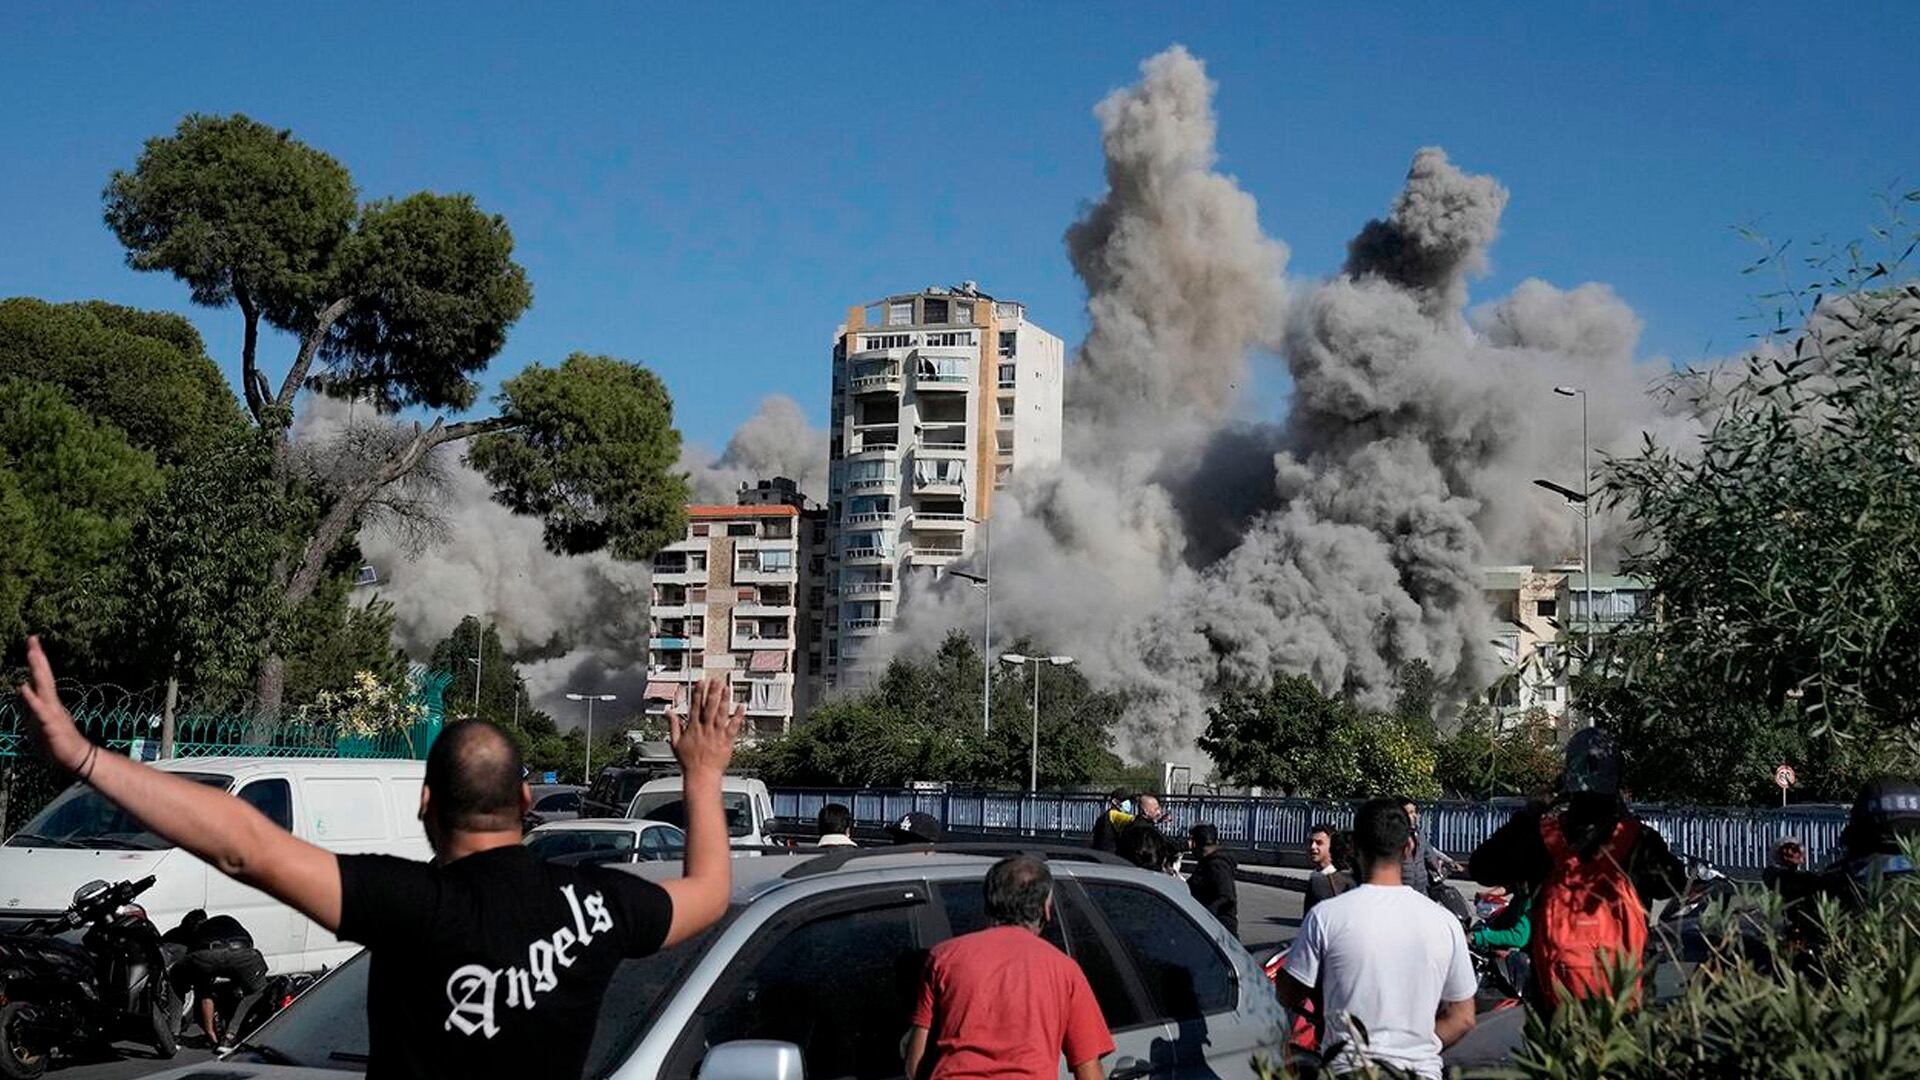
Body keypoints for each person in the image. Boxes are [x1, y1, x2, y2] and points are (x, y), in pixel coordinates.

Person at [13, 636, 742, 1080]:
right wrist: (702, 774)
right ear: (526, 804)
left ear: (426, 804)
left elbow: (245, 844)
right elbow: (708, 892)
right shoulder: (598, 904)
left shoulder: (410, 905)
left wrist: (85, 756)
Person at [1469, 728, 1685, 1008]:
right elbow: (1676, 883)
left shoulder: (1540, 838)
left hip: (1557, 1004)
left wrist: (1529, 814)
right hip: (1620, 1007)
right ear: (1617, 778)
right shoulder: (1638, 842)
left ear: (1568, 777)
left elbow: (1481, 868)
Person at [1278, 798, 1476, 1079]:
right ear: (1408, 847)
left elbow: (1287, 993)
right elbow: (1463, 1018)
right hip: (1420, 1071)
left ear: (1356, 847)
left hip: (1349, 1070)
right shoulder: (1444, 922)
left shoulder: (1326, 917)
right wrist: (1416, 1046)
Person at [906, 855, 1113, 1080]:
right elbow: (1089, 1072)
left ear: (988, 904)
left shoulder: (944, 958)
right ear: (1046, 909)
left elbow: (916, 1063)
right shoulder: (1064, 970)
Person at [164, 909, 267, 1046]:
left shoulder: (196, 936)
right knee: (258, 990)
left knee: (177, 978)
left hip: (207, 956)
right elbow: (249, 942)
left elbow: (205, 995)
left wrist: (209, 1033)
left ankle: (173, 1035)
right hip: (242, 953)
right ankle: (230, 1035)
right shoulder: (225, 919)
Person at [1186, 823, 1238, 937]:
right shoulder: (1206, 863)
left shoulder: (1217, 866)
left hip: (1219, 929)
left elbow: (1226, 896)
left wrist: (1206, 914)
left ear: (1195, 844)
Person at [1303, 822, 1354, 915]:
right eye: (1311, 842)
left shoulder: (1343, 878)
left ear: (1332, 846)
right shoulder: (1316, 877)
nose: (1312, 847)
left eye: (1319, 843)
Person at [1088, 788, 1133, 853]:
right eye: (1124, 800)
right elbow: (1133, 819)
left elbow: (1091, 840)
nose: (1128, 803)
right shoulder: (1114, 814)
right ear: (1114, 801)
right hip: (1112, 856)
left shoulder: (1102, 818)